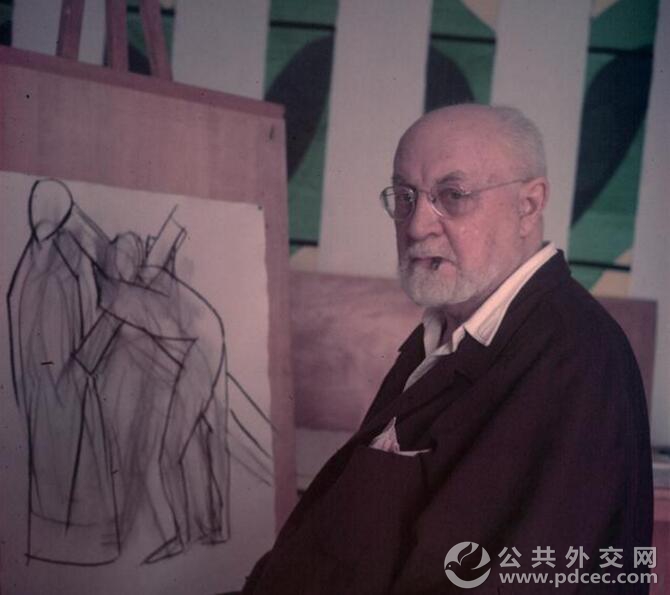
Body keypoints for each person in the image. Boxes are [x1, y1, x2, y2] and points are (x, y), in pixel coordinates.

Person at [242, 104, 653, 594]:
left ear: (529, 205)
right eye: (405, 196)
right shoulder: (450, 330)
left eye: (453, 196)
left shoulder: (574, 359)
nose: (417, 226)